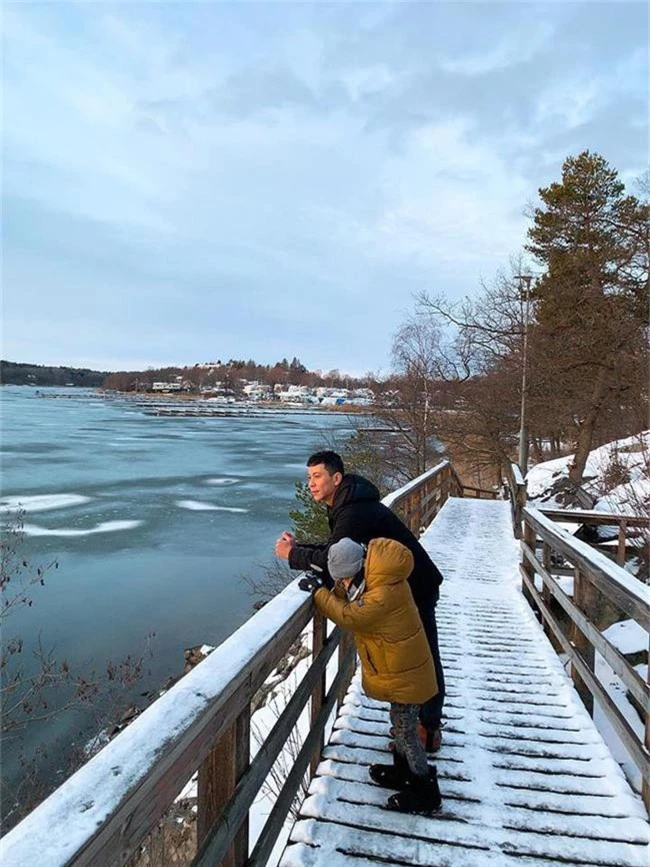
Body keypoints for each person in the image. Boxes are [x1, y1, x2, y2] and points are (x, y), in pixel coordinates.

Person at [275, 450, 445, 751]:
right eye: (309, 477)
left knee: (423, 658)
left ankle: (427, 730)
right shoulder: (347, 504)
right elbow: (338, 552)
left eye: (317, 477)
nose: (311, 484)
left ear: (336, 478)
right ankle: (418, 726)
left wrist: (292, 555)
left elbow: (332, 562)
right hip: (404, 585)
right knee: (418, 657)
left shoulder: (352, 510)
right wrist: (301, 548)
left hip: (414, 586)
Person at [298, 536, 442, 815]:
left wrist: (319, 594)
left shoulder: (382, 593)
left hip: (407, 673)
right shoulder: (378, 576)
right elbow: (351, 595)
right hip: (404, 668)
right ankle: (403, 772)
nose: (343, 585)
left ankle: (425, 790)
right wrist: (329, 581)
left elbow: (351, 616)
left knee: (407, 731)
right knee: (400, 723)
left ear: (358, 570)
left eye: (344, 580)